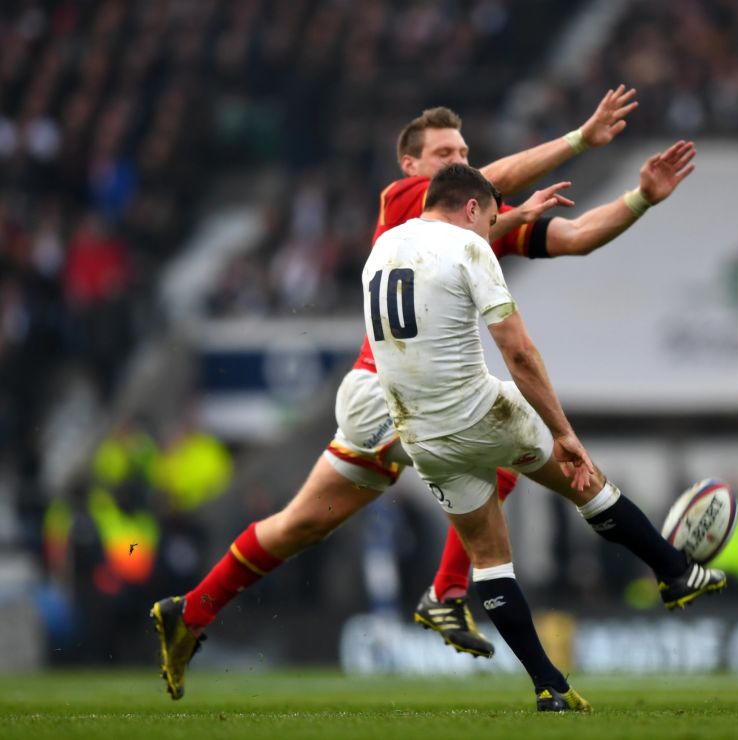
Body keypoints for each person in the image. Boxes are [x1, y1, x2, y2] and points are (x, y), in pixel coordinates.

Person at [150, 87, 697, 699]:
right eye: (443, 152)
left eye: (462, 149)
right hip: (382, 392)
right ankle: (451, 592)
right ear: (411, 166)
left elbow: (574, 234)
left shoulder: (471, 229)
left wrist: (641, 198)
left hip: (387, 402)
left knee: (301, 524)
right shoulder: (404, 200)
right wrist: (577, 139)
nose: (456, 159)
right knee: (500, 444)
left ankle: (191, 610)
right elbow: (485, 181)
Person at [365, 164, 724, 710]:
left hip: (424, 436)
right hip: (484, 411)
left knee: (488, 559)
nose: (491, 231)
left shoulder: (381, 250)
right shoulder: (469, 247)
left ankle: (548, 686)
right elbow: (519, 351)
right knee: (588, 484)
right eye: (490, 219)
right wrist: (564, 432)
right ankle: (674, 572)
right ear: (469, 210)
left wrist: (520, 215)